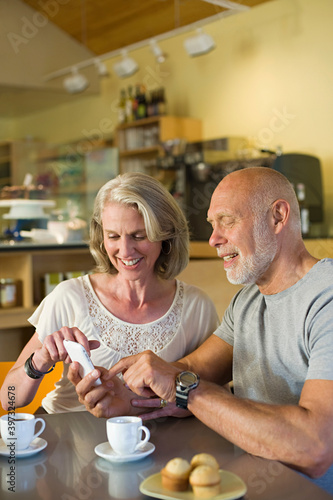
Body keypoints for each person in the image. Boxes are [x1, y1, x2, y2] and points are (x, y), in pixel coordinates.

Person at [75, 167, 333, 493]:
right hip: (245, 483)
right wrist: (128, 399)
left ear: (278, 217)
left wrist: (186, 389)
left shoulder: (327, 298)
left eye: (227, 220)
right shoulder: (248, 301)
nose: (213, 239)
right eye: (212, 225)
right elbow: (193, 370)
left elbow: (316, 447)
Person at [0, 172, 219, 414]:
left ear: (165, 234)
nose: (125, 251)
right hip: (70, 438)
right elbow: (9, 399)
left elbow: (213, 397)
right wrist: (40, 360)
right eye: (113, 236)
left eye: (139, 236)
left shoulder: (196, 306)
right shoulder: (69, 297)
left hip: (156, 442)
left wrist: (159, 403)